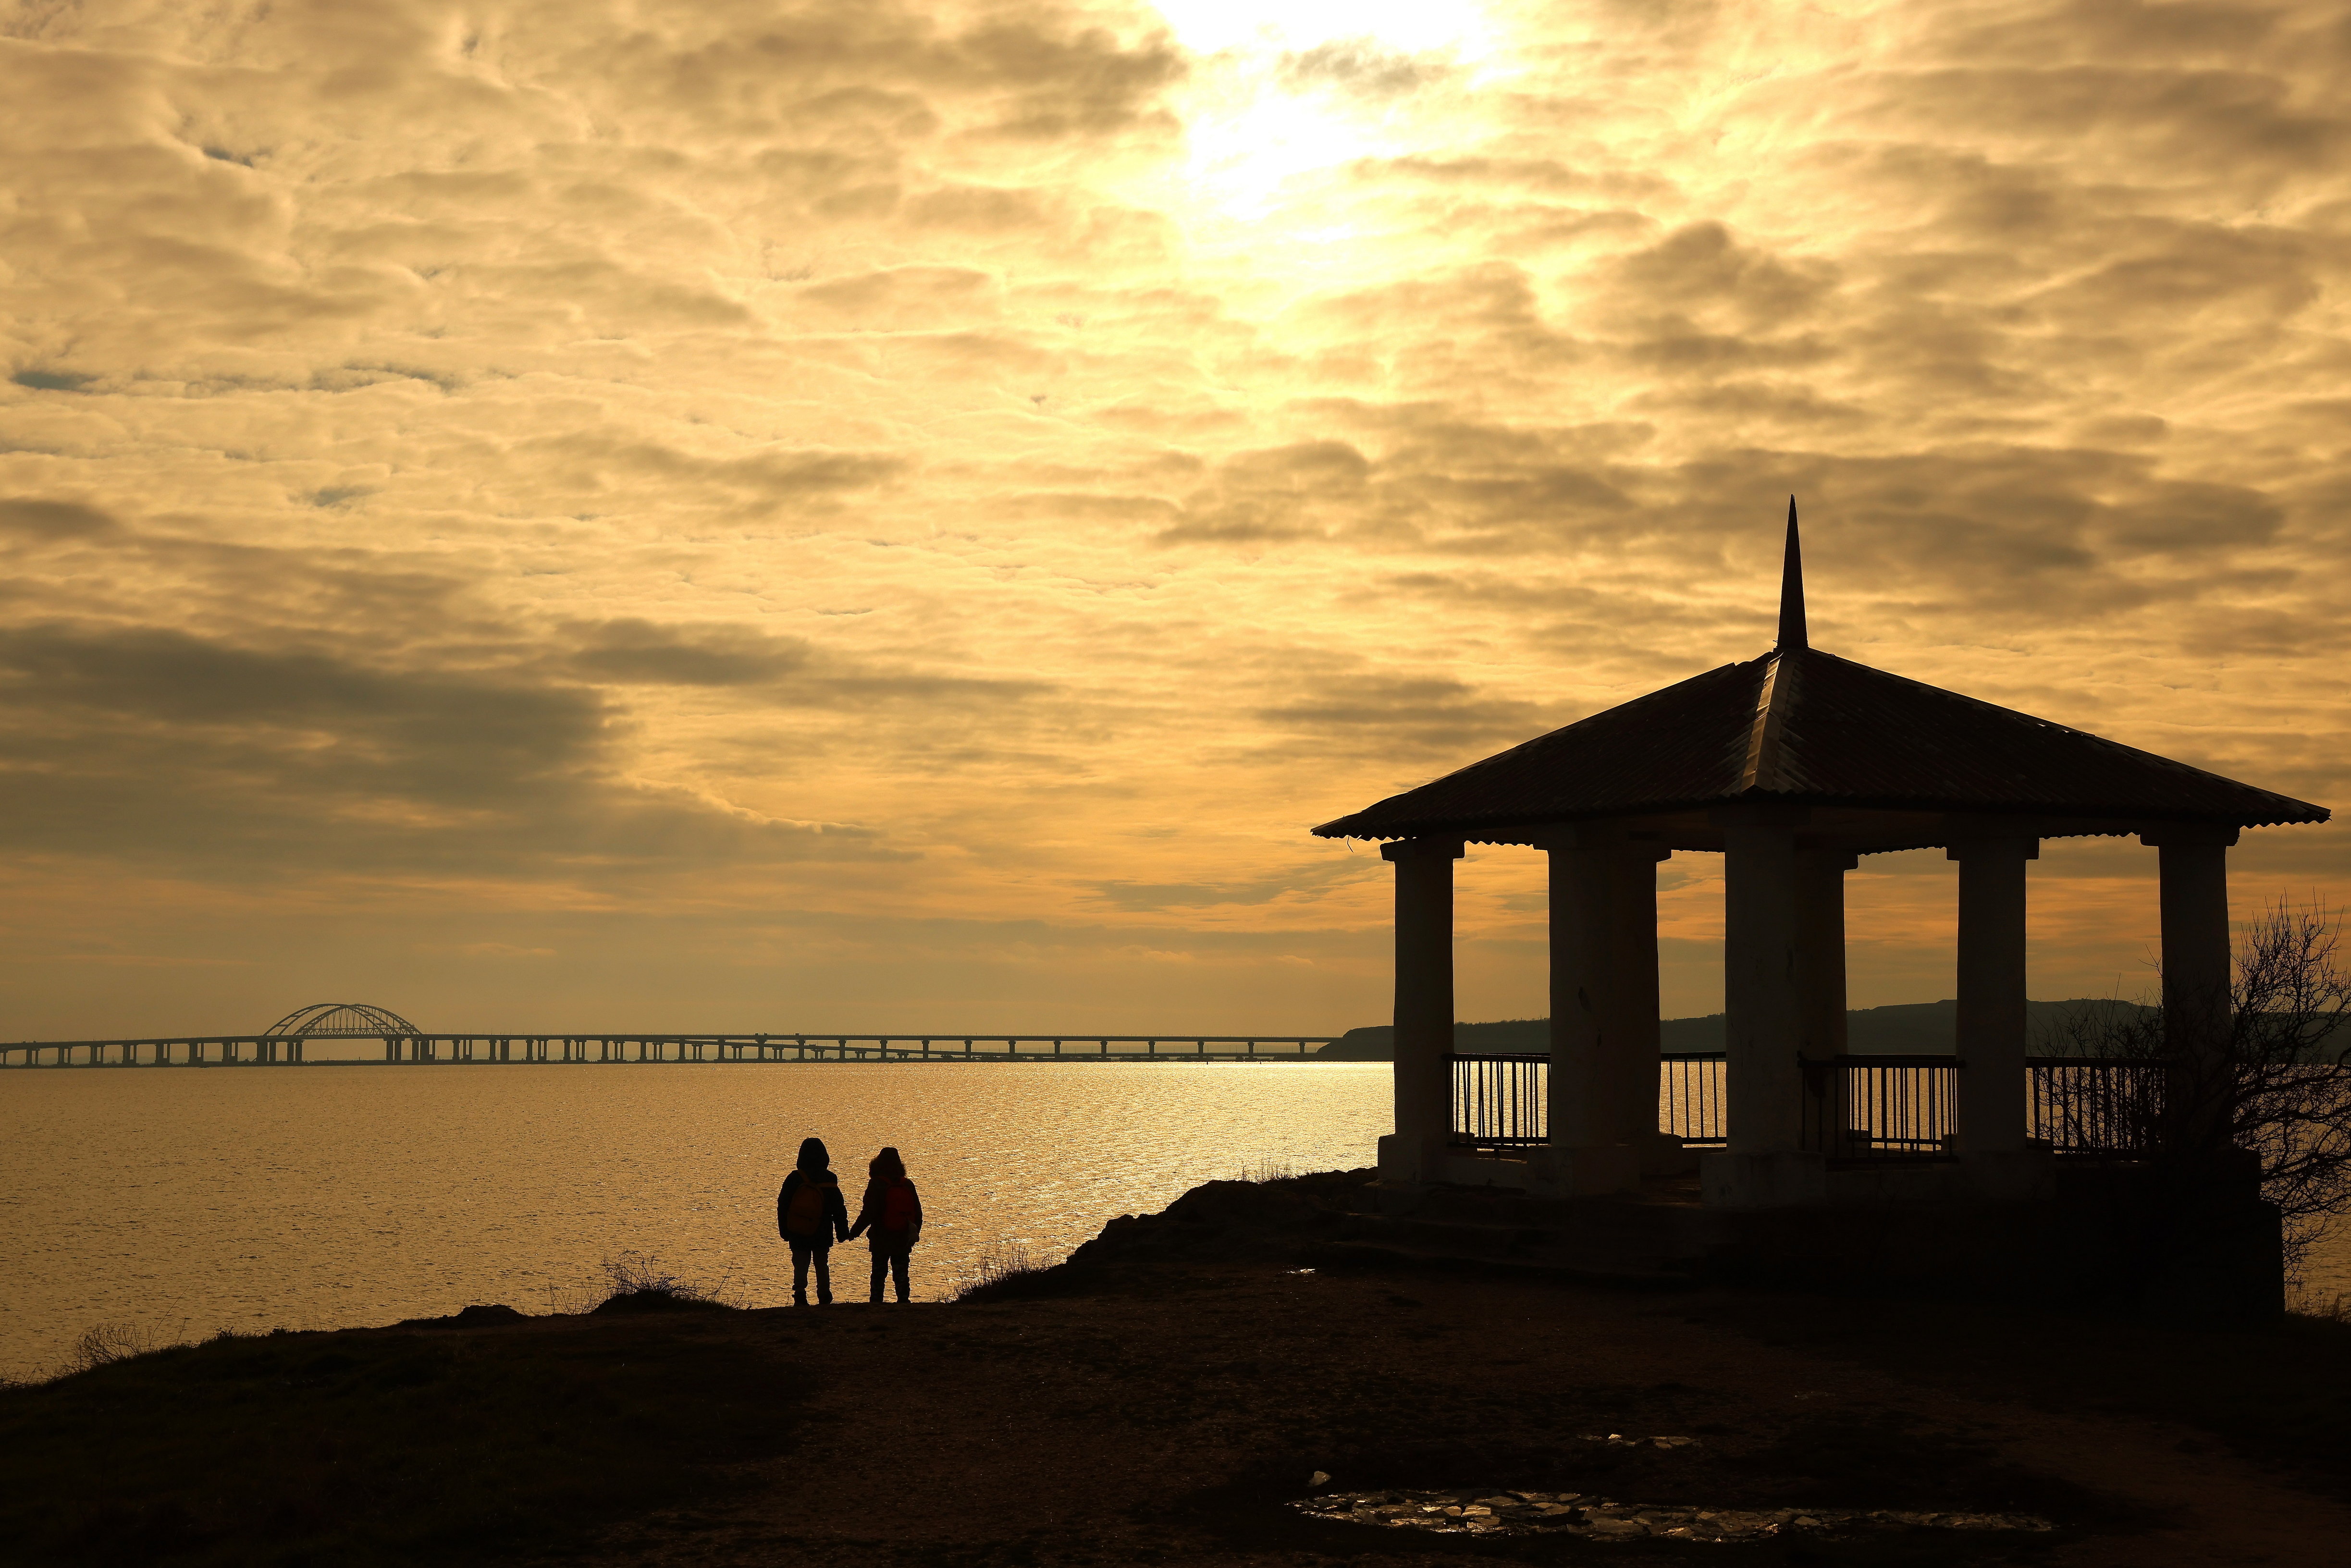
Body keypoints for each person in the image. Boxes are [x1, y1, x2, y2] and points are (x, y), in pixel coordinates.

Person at [775, 1136, 849, 1305]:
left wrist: (784, 1230)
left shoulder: (794, 1178)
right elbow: (838, 1207)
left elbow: (783, 1205)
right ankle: (824, 1294)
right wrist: (842, 1230)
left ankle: (800, 1294)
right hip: (822, 1229)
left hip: (797, 1229)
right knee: (821, 1263)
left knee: (800, 1263)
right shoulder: (830, 1178)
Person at [847, 1145, 923, 1304]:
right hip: (903, 1236)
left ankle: (876, 1301)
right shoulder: (907, 1185)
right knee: (901, 1271)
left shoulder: (876, 1184)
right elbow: (918, 1213)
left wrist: (854, 1233)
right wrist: (914, 1234)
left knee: (879, 1272)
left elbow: (868, 1213)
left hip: (880, 1237)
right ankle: (903, 1299)